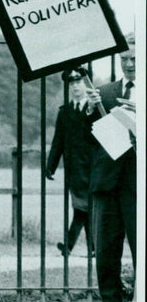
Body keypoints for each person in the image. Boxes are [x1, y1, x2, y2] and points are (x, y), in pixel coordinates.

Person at [85, 32, 137, 302]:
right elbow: (85, 137)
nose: (129, 65)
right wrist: (90, 110)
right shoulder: (103, 93)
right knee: (106, 246)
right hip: (107, 182)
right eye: (125, 59)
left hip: (138, 182)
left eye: (135, 59)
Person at [46, 67, 95, 258]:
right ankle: (91, 247)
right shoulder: (64, 112)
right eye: (72, 83)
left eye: (79, 81)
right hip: (74, 170)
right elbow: (58, 140)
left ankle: (69, 246)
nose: (75, 86)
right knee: (83, 207)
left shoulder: (95, 109)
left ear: (86, 83)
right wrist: (51, 166)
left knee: (83, 208)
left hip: (93, 168)